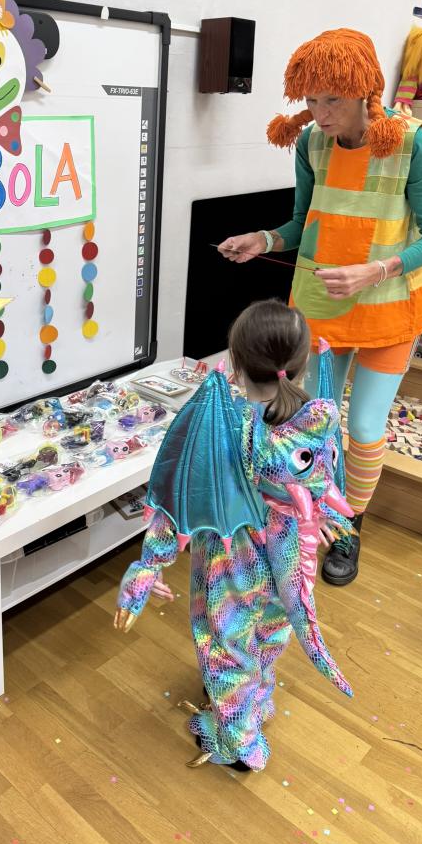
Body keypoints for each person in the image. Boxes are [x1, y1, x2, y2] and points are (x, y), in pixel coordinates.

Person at [219, 29, 422, 586]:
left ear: (365, 91)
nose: (320, 114)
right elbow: (305, 223)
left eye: (333, 101)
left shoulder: (410, 143)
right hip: (323, 308)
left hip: (390, 309)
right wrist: (264, 240)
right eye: (311, 100)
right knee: (317, 420)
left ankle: (348, 527)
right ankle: (317, 511)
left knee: (365, 427)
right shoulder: (310, 143)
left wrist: (377, 270)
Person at [115, 301, 353, 771]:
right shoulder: (318, 418)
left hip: (234, 564)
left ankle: (239, 746)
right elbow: (321, 482)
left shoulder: (227, 429)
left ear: (236, 364)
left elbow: (182, 502)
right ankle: (256, 702)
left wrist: (146, 569)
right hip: (290, 556)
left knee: (227, 646)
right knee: (268, 633)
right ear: (303, 364)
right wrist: (322, 516)